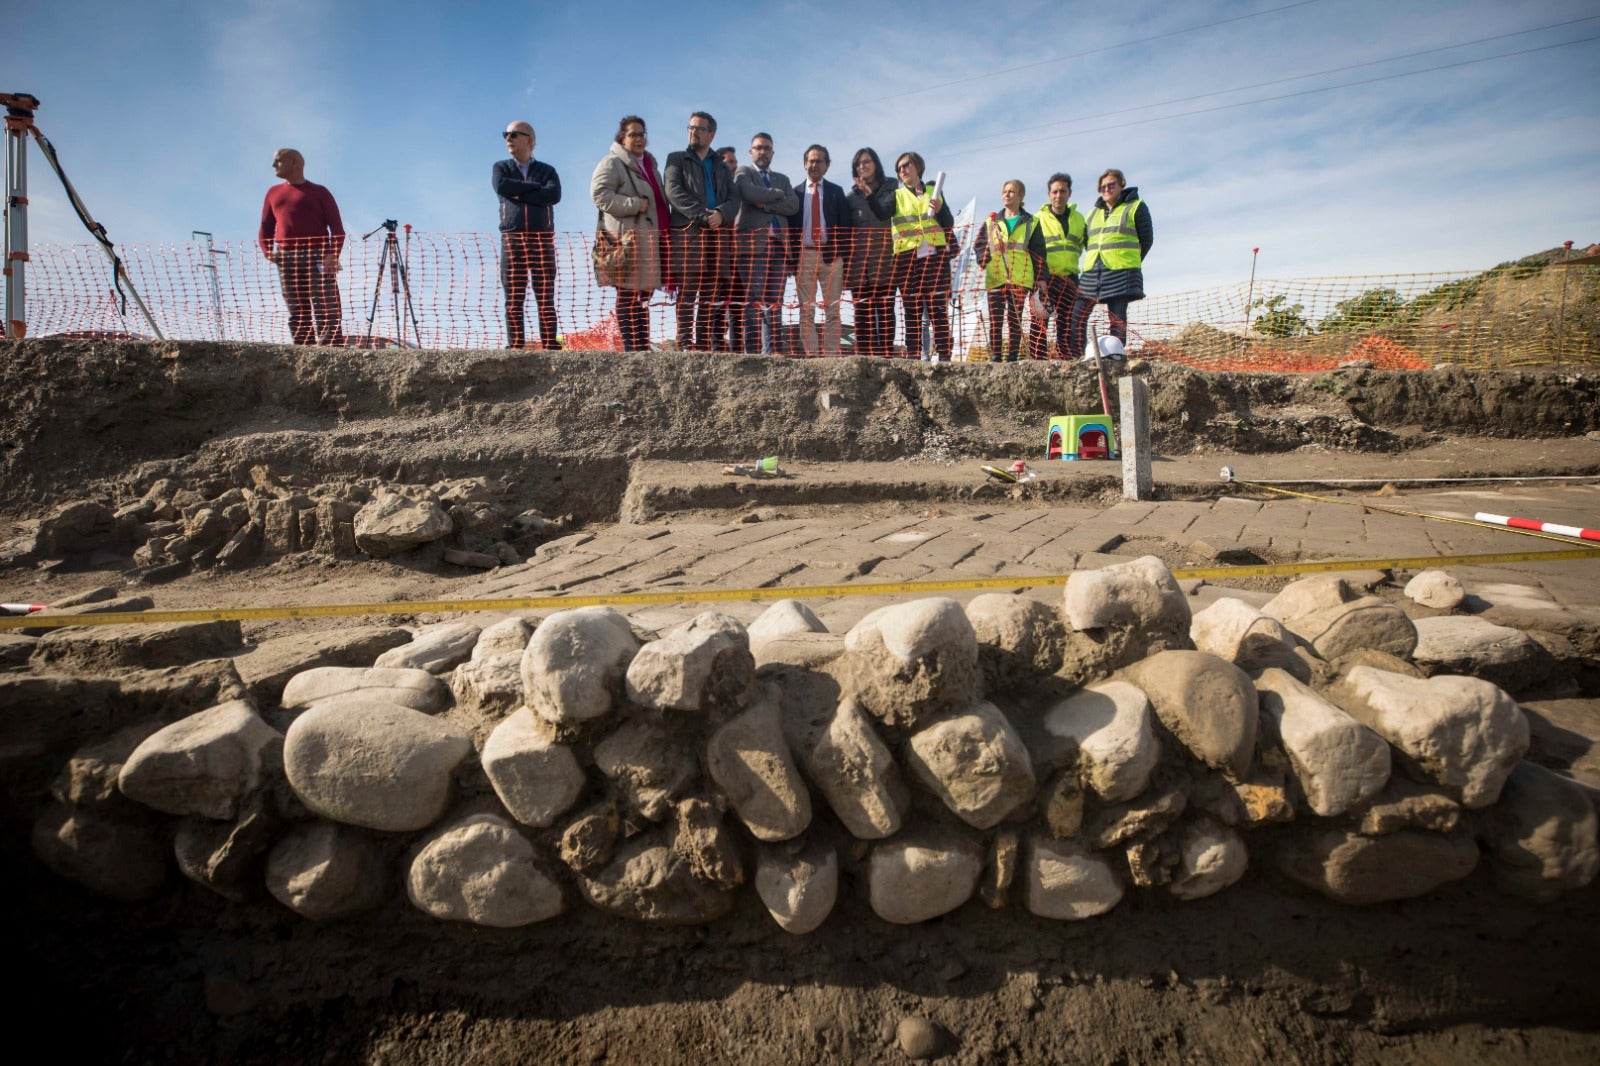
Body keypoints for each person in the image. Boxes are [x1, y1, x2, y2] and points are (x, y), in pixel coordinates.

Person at [591, 116, 669, 352]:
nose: (639, 138)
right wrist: (634, 204)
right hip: (626, 242)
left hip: (651, 240)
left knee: (643, 295)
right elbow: (599, 194)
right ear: (622, 137)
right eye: (633, 134)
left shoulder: (650, 166)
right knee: (627, 293)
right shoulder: (612, 162)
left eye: (642, 134)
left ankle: (642, 346)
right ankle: (631, 348)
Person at [663, 112, 738, 351]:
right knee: (687, 292)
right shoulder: (676, 159)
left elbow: (734, 198)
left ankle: (703, 345)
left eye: (699, 128)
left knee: (710, 294)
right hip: (689, 234)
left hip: (717, 236)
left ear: (711, 134)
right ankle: (685, 344)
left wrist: (722, 214)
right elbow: (673, 191)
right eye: (690, 127)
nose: (693, 131)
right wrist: (704, 216)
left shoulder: (721, 166)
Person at [258, 148, 345, 346]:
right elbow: (265, 227)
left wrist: (332, 255)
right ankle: (302, 350)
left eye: (278, 161)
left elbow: (337, 229)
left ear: (294, 163)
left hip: (318, 256)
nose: (274, 165)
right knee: (296, 308)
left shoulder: (320, 192)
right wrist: (267, 250)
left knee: (325, 306)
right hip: (286, 258)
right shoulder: (273, 193)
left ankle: (330, 350)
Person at [493, 121, 563, 350]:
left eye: (514, 134)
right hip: (512, 239)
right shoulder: (501, 167)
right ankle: (516, 347)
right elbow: (502, 187)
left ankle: (550, 346)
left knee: (545, 297)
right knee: (514, 298)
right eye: (506, 134)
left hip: (541, 239)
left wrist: (519, 191)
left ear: (530, 140)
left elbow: (553, 194)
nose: (508, 139)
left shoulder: (548, 170)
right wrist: (534, 188)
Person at [732, 132, 797, 355]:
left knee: (775, 302)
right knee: (753, 301)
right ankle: (752, 353)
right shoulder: (744, 173)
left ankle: (773, 353)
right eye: (758, 148)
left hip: (779, 247)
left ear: (772, 153)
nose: (762, 151)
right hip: (752, 247)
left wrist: (766, 204)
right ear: (751, 152)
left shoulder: (783, 178)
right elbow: (748, 192)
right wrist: (778, 196)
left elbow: (793, 206)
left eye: (767, 148)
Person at [889, 152, 954, 361]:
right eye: (899, 168)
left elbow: (948, 222)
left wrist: (941, 209)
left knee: (937, 307)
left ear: (917, 166)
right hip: (906, 258)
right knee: (912, 308)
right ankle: (914, 354)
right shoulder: (896, 195)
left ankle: (944, 354)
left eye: (906, 165)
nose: (902, 170)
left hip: (934, 257)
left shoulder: (934, 191)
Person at [1077, 168, 1152, 344]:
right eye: (1102, 187)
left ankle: (1115, 353)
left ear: (1121, 185)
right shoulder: (1092, 213)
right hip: (1093, 271)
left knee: (1117, 315)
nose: (1107, 189)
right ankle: (1075, 354)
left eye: (1111, 185)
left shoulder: (1135, 207)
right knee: (1078, 314)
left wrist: (1129, 261)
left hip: (1121, 271)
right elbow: (1089, 241)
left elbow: (1146, 240)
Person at [789, 144, 851, 357]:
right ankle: (812, 354)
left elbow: (846, 227)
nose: (814, 164)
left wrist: (841, 255)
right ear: (805, 164)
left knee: (833, 309)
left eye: (819, 161)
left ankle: (832, 356)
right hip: (804, 255)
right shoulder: (794, 193)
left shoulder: (836, 192)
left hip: (831, 256)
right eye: (811, 160)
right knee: (806, 309)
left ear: (827, 166)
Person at [974, 179, 1046, 363]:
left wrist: (1041, 278)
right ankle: (996, 356)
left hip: (1020, 278)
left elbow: (1039, 253)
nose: (1007, 194)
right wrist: (984, 259)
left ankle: (1013, 356)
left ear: (1021, 196)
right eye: (1005, 191)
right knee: (995, 320)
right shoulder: (991, 221)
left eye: (1012, 191)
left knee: (1015, 319)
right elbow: (980, 246)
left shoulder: (1032, 222)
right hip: (996, 277)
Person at [1029, 172, 1089, 360]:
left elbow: (1086, 246)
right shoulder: (1037, 219)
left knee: (1068, 323)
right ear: (1048, 194)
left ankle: (1068, 363)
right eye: (1054, 191)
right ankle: (1038, 363)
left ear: (1069, 193)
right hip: (1044, 279)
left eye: (1062, 191)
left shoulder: (1079, 219)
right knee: (1040, 322)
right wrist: (1039, 278)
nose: (1058, 195)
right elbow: (1032, 250)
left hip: (1070, 279)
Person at [844, 148, 897, 359]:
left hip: (885, 262)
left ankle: (886, 356)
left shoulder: (890, 186)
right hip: (859, 267)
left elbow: (884, 210)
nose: (862, 166)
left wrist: (868, 191)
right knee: (862, 314)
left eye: (866, 162)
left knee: (885, 311)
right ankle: (864, 358)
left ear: (876, 164)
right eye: (858, 164)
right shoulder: (850, 197)